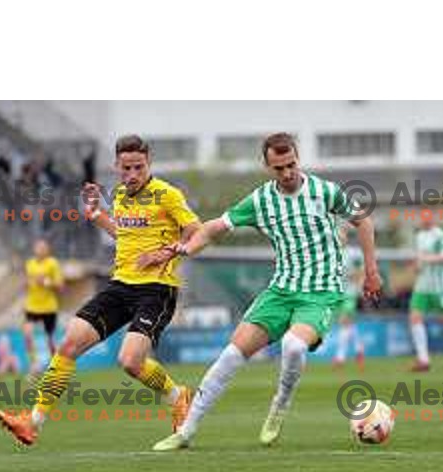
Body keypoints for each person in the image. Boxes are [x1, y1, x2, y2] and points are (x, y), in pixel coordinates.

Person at [152, 132, 382, 451]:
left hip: (320, 292)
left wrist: (371, 272)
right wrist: (185, 249)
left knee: (293, 346)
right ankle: (186, 431)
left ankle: (280, 405)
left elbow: (364, 222)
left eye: (291, 165)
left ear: (297, 158)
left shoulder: (324, 191)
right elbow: (214, 228)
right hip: (281, 290)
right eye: (279, 168)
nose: (287, 173)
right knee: (230, 356)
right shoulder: (260, 201)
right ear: (267, 165)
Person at [0, 134, 201, 445]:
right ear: (117, 166)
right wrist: (95, 215)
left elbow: (196, 231)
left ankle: (178, 396)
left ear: (149, 164)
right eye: (126, 168)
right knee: (68, 345)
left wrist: (167, 251)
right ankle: (32, 422)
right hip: (120, 285)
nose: (132, 175)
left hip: (157, 289)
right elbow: (124, 234)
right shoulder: (120, 195)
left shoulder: (167, 195)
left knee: (130, 362)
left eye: (139, 167)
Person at [408, 215, 443, 372]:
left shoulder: (439, 235)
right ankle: (423, 359)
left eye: (427, 217)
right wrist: (417, 266)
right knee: (414, 317)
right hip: (422, 285)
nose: (424, 220)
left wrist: (426, 259)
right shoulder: (419, 236)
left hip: (439, 286)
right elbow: (420, 259)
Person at [23, 239, 64, 372]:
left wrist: (46, 282)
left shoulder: (52, 263)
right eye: (38, 248)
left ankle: (55, 366)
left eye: (43, 248)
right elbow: (26, 283)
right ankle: (33, 364)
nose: (40, 250)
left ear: (48, 250)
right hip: (32, 306)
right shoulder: (29, 264)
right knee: (28, 333)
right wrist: (27, 284)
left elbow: (60, 286)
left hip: (48, 307)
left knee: (50, 340)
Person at [333, 227, 365, 370]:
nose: (340, 238)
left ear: (346, 238)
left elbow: (361, 271)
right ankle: (359, 348)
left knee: (344, 321)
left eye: (342, 236)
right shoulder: (332, 254)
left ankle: (340, 357)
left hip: (350, 292)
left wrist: (360, 286)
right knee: (347, 323)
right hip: (337, 292)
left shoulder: (354, 253)